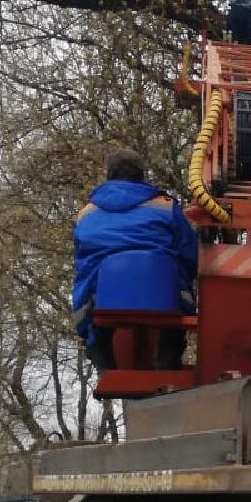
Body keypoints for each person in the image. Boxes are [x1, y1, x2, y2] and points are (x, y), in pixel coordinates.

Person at [72, 148, 198, 371]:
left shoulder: (86, 213)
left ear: (108, 175)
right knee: (179, 294)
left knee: (89, 297)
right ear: (142, 175)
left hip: (103, 296)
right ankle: (167, 359)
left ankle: (104, 362)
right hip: (161, 291)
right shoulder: (166, 206)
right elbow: (189, 252)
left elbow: (82, 259)